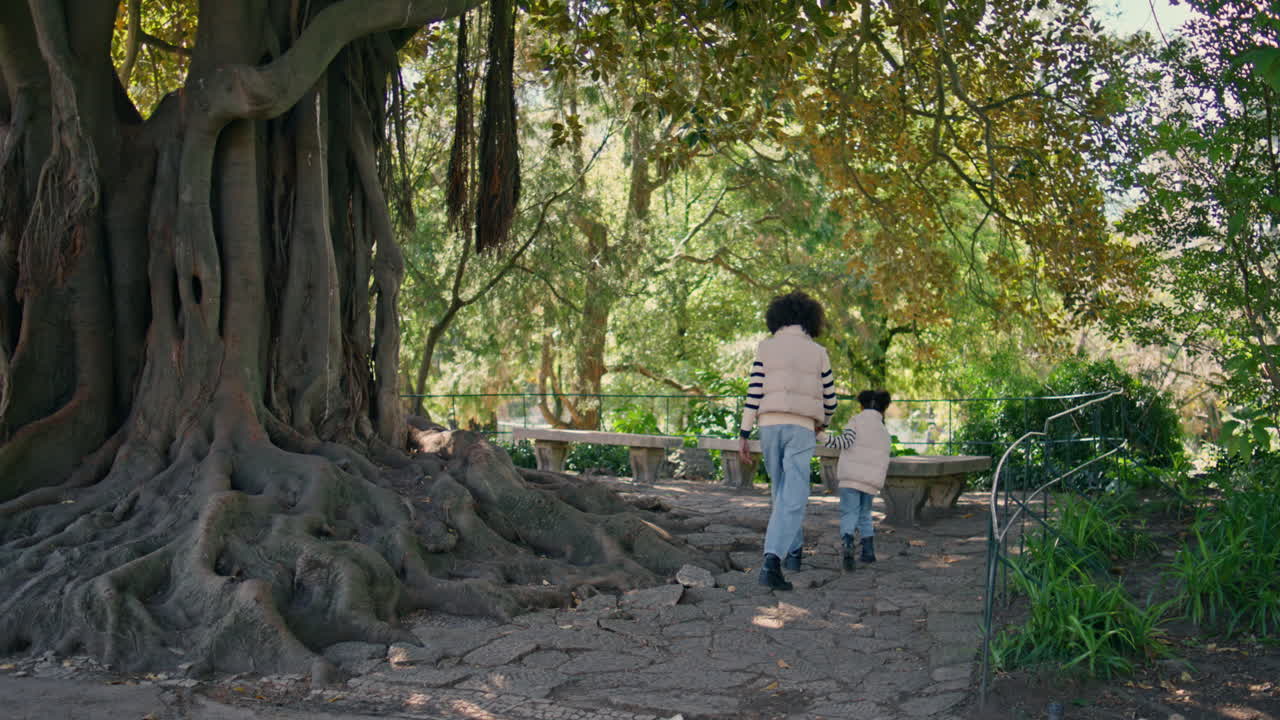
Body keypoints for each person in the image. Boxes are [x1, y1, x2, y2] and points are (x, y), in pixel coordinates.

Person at [738, 291, 838, 591]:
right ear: (810, 320)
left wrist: (744, 433)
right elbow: (830, 400)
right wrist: (823, 423)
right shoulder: (818, 352)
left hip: (768, 426)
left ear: (777, 318)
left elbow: (754, 391)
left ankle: (793, 552)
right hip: (801, 427)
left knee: (781, 492)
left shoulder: (765, 348)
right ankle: (772, 561)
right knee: (793, 494)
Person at [825, 389, 891, 571]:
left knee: (849, 513)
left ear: (862, 406)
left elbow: (843, 442)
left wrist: (821, 436)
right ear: (882, 409)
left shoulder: (856, 422)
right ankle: (868, 552)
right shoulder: (884, 431)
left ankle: (847, 544)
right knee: (865, 514)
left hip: (850, 478)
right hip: (870, 482)